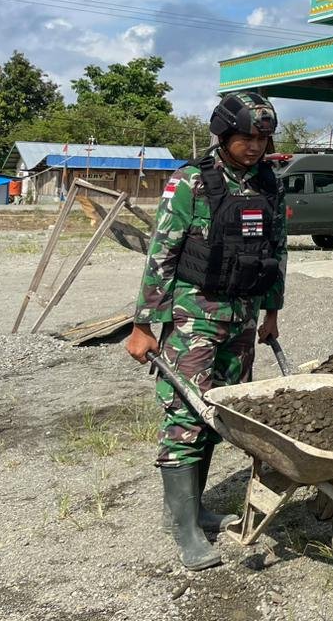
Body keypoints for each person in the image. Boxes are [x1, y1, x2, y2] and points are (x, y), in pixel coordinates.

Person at [123, 91, 286, 571]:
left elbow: (277, 251)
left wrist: (271, 312)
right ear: (224, 134)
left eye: (262, 139)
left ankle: (194, 510)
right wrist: (143, 324)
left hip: (243, 316)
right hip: (194, 317)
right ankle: (184, 529)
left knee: (219, 413)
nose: (254, 147)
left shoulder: (268, 183)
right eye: (246, 138)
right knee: (185, 415)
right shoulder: (191, 181)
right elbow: (162, 252)